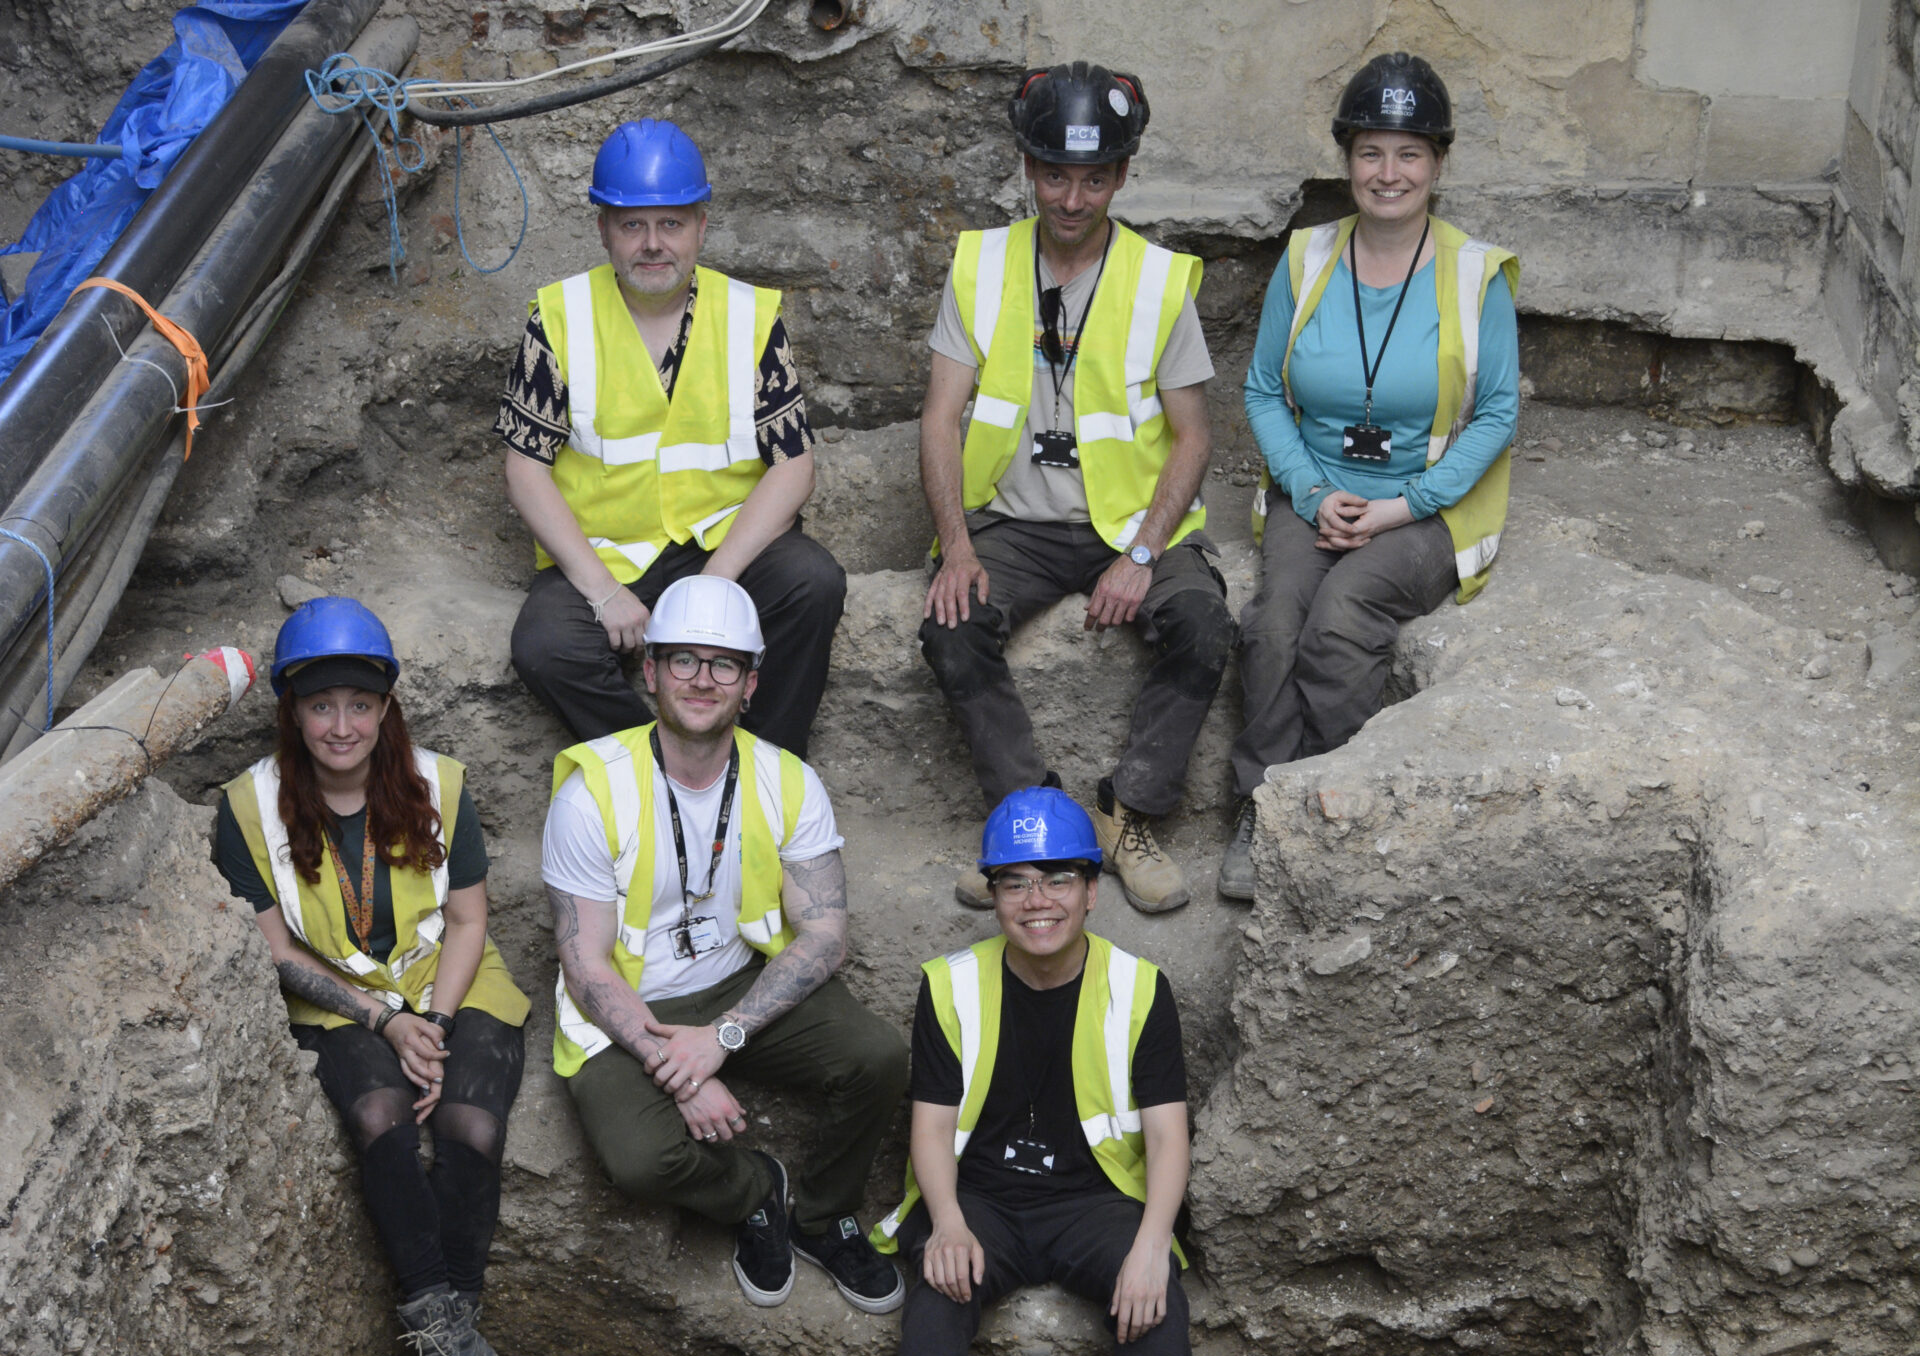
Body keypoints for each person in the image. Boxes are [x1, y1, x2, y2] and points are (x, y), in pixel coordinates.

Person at [213, 598, 530, 1356]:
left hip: (451, 988)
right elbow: (275, 952)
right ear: (293, 712)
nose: (341, 725)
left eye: (359, 704)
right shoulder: (249, 807)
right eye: (321, 706)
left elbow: (467, 923)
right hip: (337, 1000)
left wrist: (432, 1022)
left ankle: (452, 1342)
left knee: (469, 1124)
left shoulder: (441, 783)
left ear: (386, 708)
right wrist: (383, 1023)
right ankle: (442, 1345)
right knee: (382, 1121)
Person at [918, 62, 1235, 916]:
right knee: (950, 627)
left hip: (1133, 520)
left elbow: (1195, 436)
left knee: (1203, 624)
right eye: (1055, 173)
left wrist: (1140, 555)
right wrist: (955, 548)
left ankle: (1128, 816)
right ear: (1028, 168)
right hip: (1016, 522)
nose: (1071, 196)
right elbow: (941, 417)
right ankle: (1035, 816)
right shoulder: (981, 266)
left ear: (1122, 176)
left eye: (1094, 177)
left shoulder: (1160, 280)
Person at [542, 573, 908, 1312]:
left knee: (879, 1058)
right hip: (626, 998)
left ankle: (823, 1216)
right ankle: (755, 1195)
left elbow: (827, 935)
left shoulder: (789, 781)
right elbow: (585, 963)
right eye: (683, 660)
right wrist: (677, 1067)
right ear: (650, 671)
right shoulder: (593, 792)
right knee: (641, 1160)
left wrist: (724, 1037)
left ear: (750, 682)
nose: (702, 680)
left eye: (724, 664)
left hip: (736, 983)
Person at [869, 786, 1192, 1356]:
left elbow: (1166, 1136)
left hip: (1094, 1200)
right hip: (983, 1199)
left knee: (1156, 1289)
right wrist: (944, 1222)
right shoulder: (948, 986)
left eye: (1056, 879)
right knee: (940, 1290)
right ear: (993, 895)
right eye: (1015, 882)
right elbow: (932, 1128)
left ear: (1091, 888)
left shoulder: (1140, 987)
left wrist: (1154, 1244)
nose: (1037, 901)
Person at [1221, 53, 1519, 900]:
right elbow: (1259, 389)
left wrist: (1398, 509)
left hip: (1426, 503)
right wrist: (1312, 493)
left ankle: (1332, 803)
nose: (1389, 173)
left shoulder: (1475, 274)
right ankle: (1261, 804)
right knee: (1276, 617)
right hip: (1312, 487)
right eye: (1371, 153)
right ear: (1347, 159)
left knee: (1342, 617)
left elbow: (1496, 415)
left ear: (1438, 163)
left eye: (1410, 154)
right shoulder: (1307, 258)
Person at [497, 117, 844, 758]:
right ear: (603, 229)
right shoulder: (559, 320)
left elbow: (792, 465)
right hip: (603, 556)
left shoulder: (749, 316)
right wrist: (603, 592)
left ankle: (762, 771)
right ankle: (659, 774)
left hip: (721, 545)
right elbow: (524, 469)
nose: (653, 244)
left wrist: (713, 586)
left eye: (672, 224)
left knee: (812, 582)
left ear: (701, 227)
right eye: (632, 225)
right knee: (545, 647)